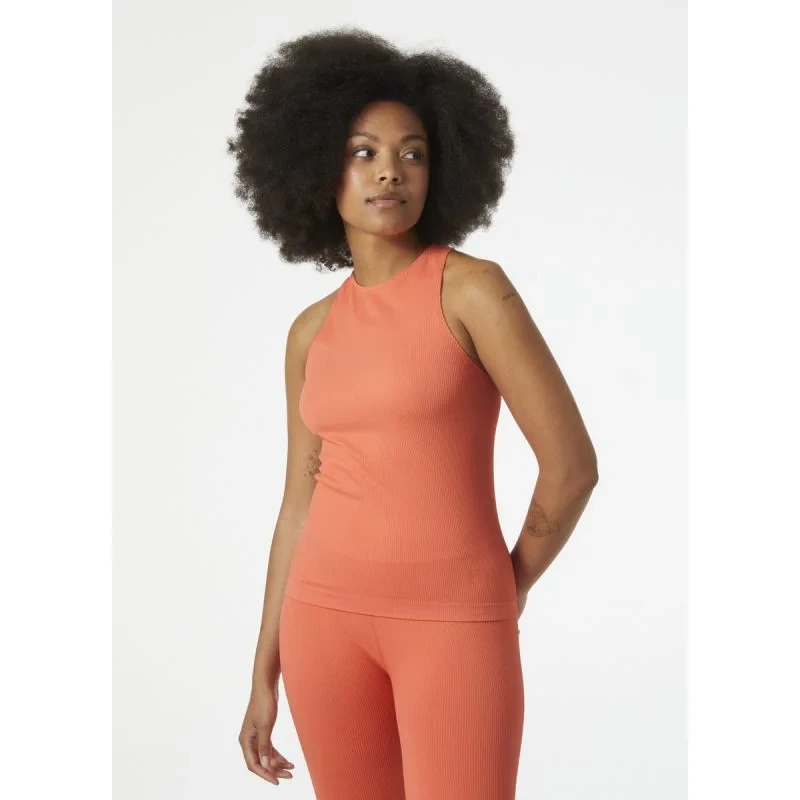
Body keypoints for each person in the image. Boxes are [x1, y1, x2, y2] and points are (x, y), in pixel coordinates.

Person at [228, 27, 598, 798]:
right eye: (363, 152)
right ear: (316, 167)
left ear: (443, 168)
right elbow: (297, 505)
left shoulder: (472, 291)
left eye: (413, 152)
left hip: (453, 624)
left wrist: (510, 584)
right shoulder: (310, 332)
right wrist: (264, 670)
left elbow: (571, 468)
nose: (389, 170)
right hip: (322, 623)